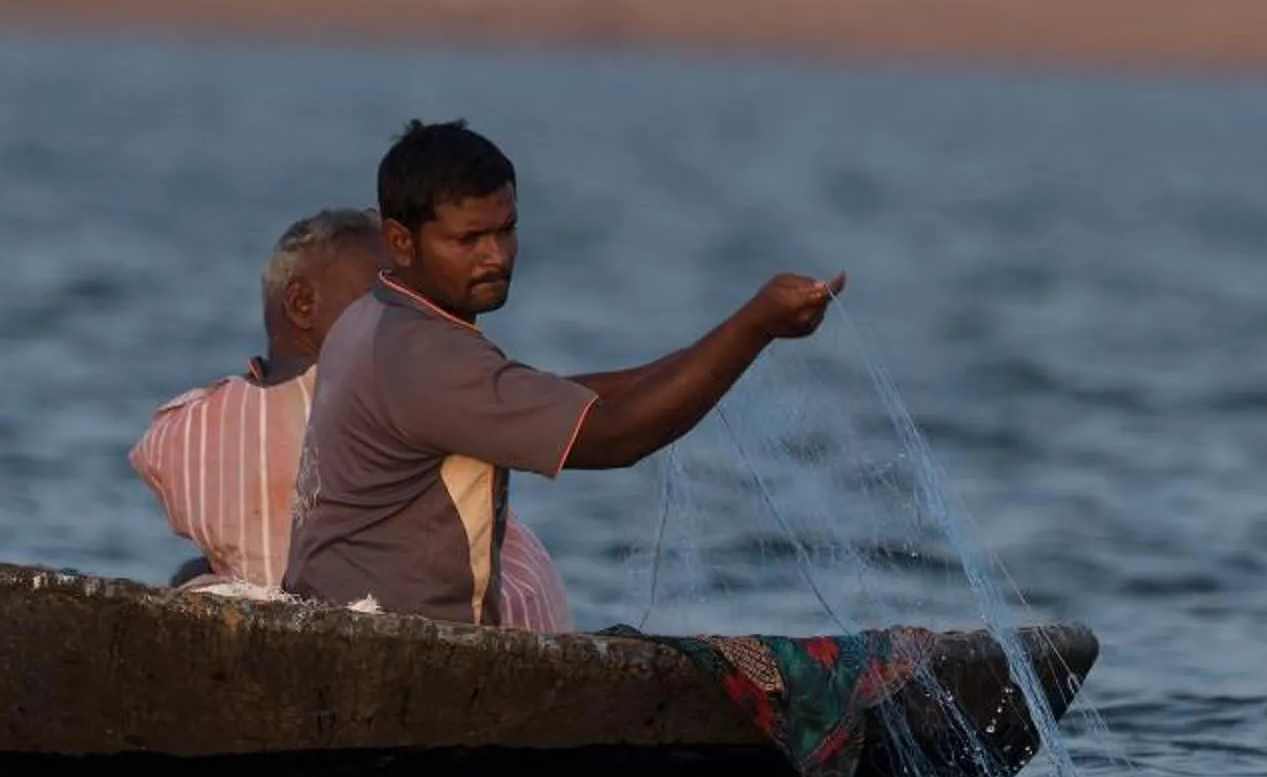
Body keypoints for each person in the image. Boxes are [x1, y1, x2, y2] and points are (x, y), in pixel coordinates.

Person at [284, 120, 842, 627]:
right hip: (397, 647)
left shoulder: (374, 314)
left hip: (342, 623)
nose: (496, 256)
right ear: (402, 241)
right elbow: (617, 436)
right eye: (468, 239)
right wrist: (754, 328)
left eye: (506, 230)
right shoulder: (425, 355)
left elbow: (564, 399)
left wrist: (727, 339)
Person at [131, 205, 577, 628]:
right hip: (470, 624)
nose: (404, 312)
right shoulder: (400, 386)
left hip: (298, 614)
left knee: (194, 571)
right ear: (302, 305)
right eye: (381, 295)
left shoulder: (183, 429)